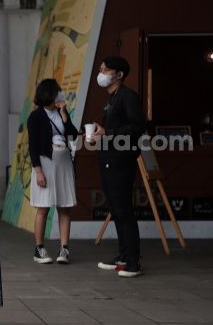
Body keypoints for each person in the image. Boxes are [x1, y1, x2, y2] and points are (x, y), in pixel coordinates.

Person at [90, 56, 146, 278]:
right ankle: (123, 256)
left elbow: (137, 127)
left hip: (121, 161)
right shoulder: (111, 98)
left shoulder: (128, 96)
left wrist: (108, 134)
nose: (101, 73)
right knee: (116, 210)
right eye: (101, 69)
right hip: (108, 158)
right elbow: (112, 129)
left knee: (124, 211)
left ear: (119, 75)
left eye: (106, 70)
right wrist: (98, 135)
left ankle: (133, 261)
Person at [27, 79, 79, 264]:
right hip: (45, 164)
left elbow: (73, 135)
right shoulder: (35, 117)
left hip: (64, 164)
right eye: (57, 91)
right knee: (43, 207)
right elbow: (32, 146)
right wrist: (38, 171)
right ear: (48, 94)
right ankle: (39, 249)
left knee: (64, 208)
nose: (60, 94)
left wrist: (65, 115)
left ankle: (64, 249)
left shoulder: (61, 112)